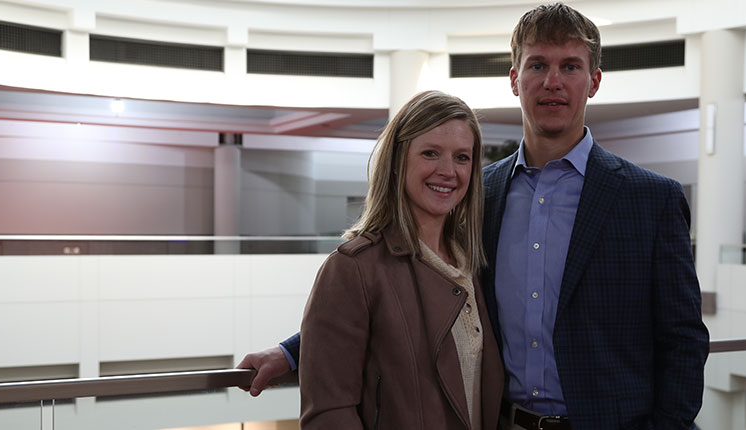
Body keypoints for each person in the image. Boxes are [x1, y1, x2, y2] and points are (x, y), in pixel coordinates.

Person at [239, 3, 709, 429]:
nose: (553, 82)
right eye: (538, 65)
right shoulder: (477, 195)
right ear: (514, 79)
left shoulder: (650, 200)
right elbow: (405, 291)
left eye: (570, 66)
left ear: (594, 81)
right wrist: (293, 352)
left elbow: (683, 340)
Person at [294, 90, 504, 429]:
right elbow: (329, 414)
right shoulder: (353, 268)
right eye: (430, 153)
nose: (448, 171)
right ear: (397, 160)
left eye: (462, 157)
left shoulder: (477, 261)